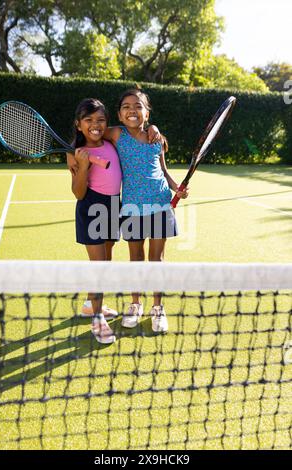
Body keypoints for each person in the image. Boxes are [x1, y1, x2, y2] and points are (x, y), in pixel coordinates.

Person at [102, 88, 189, 334]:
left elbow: (162, 170)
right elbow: (91, 133)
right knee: (135, 259)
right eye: (127, 106)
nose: (132, 110)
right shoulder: (117, 134)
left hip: (160, 204)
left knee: (157, 260)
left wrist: (177, 188)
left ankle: (158, 308)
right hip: (132, 207)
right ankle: (135, 304)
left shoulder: (156, 139)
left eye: (138, 106)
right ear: (119, 114)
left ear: (146, 112)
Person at [68, 98, 122, 345]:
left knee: (107, 260)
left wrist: (152, 129)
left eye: (100, 119)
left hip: (113, 205)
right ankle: (98, 319)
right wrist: (83, 166)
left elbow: (132, 131)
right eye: (88, 120)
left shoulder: (111, 141)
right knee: (98, 266)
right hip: (91, 207)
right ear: (78, 125)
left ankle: (91, 305)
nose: (95, 125)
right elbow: (78, 193)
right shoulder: (74, 153)